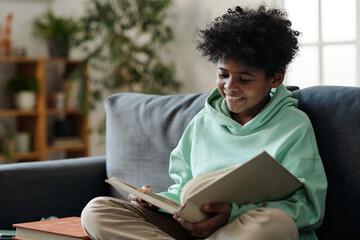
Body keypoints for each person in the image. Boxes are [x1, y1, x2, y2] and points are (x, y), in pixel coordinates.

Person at [81, 5, 327, 240]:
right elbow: (185, 192)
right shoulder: (202, 122)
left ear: (276, 78)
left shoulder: (294, 126)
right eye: (223, 74)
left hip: (243, 230)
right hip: (189, 230)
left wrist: (235, 213)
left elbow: (309, 210)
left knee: (276, 223)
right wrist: (158, 202)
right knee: (97, 210)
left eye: (244, 78)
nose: (230, 86)